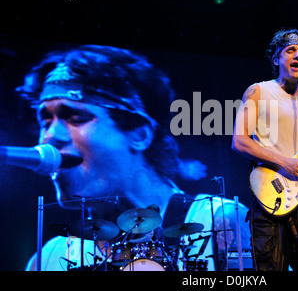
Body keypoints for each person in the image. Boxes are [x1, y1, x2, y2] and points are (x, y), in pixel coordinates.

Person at [17, 44, 250, 270]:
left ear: (139, 134)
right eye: (45, 122)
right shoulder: (50, 257)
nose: (49, 137)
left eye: (77, 118)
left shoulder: (220, 221)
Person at [232, 28, 298, 271]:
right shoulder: (258, 91)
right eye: (290, 50)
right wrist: (285, 162)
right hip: (272, 196)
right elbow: (239, 141)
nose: (297, 55)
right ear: (276, 59)